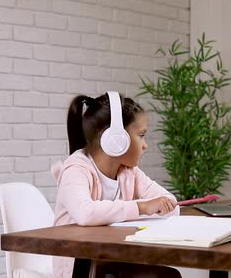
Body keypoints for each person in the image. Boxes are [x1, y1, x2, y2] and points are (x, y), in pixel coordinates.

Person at [52, 92, 181, 278]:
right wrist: (142, 207)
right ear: (116, 139)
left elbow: (171, 205)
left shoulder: (128, 172)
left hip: (114, 262)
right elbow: (85, 213)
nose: (145, 146)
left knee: (167, 275)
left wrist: (157, 205)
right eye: (141, 135)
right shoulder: (76, 168)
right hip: (81, 267)